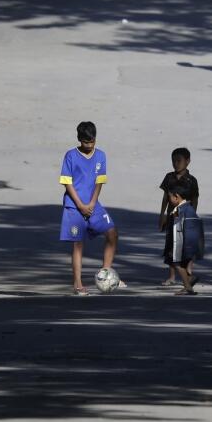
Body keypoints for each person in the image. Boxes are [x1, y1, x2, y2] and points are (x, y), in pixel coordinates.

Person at [59, 121, 120, 296]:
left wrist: (92, 203)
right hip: (74, 205)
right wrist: (80, 205)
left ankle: (106, 272)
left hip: (93, 204)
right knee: (78, 243)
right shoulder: (70, 155)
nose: (89, 145)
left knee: (112, 232)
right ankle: (78, 284)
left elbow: (99, 181)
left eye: (92, 141)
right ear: (79, 139)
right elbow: (67, 183)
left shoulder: (101, 155)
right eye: (86, 142)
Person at [159, 147, 200, 286]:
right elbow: (165, 197)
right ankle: (171, 277)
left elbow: (195, 199)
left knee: (186, 247)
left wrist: (192, 216)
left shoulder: (192, 181)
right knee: (170, 245)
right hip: (172, 217)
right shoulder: (169, 177)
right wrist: (162, 215)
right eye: (173, 161)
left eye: (179, 161)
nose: (176, 164)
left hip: (186, 217)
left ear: (188, 161)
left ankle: (188, 274)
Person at [165, 183, 204, 296]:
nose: (169, 200)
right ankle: (189, 281)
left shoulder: (185, 210)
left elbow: (190, 230)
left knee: (178, 263)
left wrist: (186, 247)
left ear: (176, 196)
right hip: (183, 243)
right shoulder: (183, 209)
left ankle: (188, 287)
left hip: (185, 244)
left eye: (170, 197)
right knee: (178, 263)